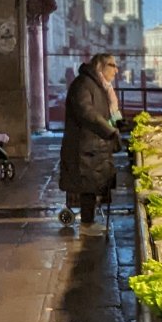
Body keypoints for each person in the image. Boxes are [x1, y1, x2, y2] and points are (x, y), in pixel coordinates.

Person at [59, 52, 120, 232]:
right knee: (87, 185)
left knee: (92, 185)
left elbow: (104, 113)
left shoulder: (98, 85)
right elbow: (87, 113)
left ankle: (89, 220)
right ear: (100, 67)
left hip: (93, 146)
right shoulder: (83, 85)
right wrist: (109, 131)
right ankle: (87, 224)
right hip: (84, 147)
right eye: (112, 65)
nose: (116, 70)